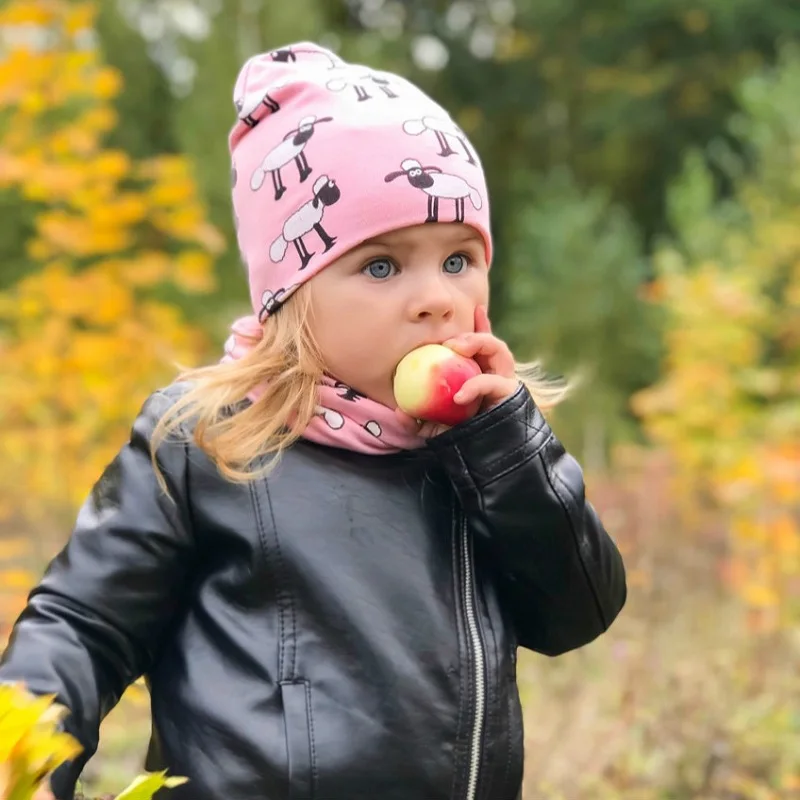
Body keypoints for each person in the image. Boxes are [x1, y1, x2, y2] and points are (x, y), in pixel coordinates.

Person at [0, 42, 626, 800]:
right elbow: (82, 623)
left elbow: (576, 611)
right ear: (291, 293)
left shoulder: (477, 451)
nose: (435, 297)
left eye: (458, 259)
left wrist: (507, 448)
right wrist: (26, 763)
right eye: (383, 266)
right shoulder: (209, 440)